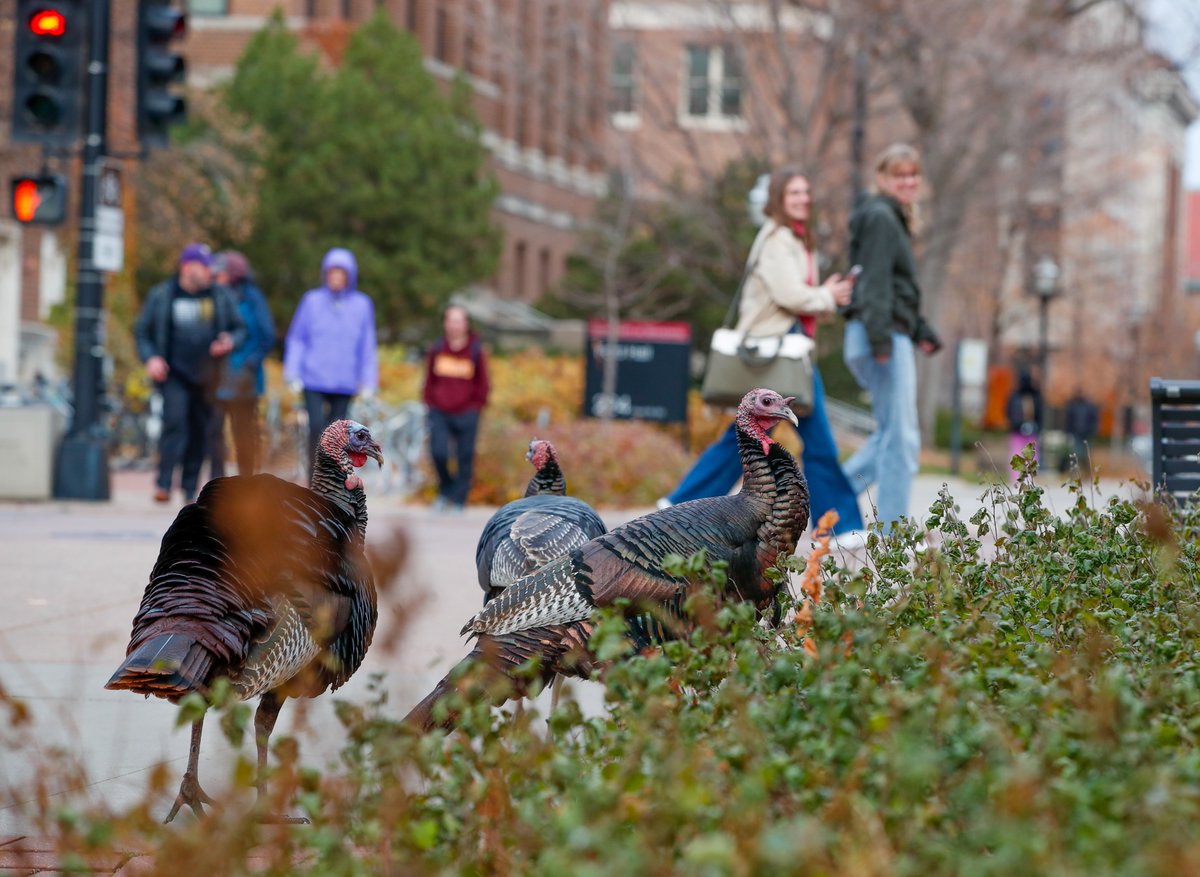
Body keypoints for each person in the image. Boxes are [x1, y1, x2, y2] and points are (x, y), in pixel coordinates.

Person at [657, 167, 865, 540]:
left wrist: (824, 297)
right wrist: (827, 296)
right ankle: (841, 527)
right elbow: (789, 294)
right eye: (794, 193)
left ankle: (678, 504)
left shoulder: (794, 238)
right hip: (778, 349)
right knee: (816, 443)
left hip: (787, 346)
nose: (803, 199)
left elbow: (796, 296)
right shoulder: (777, 239)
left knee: (744, 437)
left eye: (805, 192)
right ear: (778, 199)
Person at [841, 143, 942, 534]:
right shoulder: (882, 217)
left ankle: (831, 497)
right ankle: (893, 534)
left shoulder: (887, 217)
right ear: (882, 178)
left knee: (891, 435)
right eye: (899, 175)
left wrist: (920, 331)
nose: (908, 181)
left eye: (913, 174)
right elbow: (876, 284)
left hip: (879, 333)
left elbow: (894, 289)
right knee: (901, 439)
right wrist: (882, 341)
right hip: (879, 337)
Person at [134, 243, 246, 504]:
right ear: (187, 267)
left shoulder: (220, 295)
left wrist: (229, 341)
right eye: (204, 267)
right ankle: (163, 484)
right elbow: (142, 332)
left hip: (209, 376)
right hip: (174, 373)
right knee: (174, 423)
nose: (209, 272)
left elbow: (239, 329)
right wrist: (151, 358)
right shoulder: (163, 294)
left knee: (200, 431)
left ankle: (188, 488)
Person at [283, 247, 378, 474]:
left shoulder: (362, 304)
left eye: (340, 273)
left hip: (345, 381)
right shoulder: (311, 301)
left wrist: (368, 381)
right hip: (313, 378)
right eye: (331, 272)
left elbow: (367, 345)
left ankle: (331, 480)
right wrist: (292, 372)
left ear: (349, 276)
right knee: (316, 428)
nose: (335, 278)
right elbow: (297, 338)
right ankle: (313, 478)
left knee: (338, 435)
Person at [208, 251, 277, 479]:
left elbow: (267, 335)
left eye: (220, 273)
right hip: (217, 375)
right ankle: (217, 484)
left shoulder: (252, 298)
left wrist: (250, 362)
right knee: (214, 431)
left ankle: (247, 483)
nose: (216, 277)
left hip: (245, 377)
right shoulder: (213, 296)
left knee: (244, 433)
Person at [423, 304, 490, 512]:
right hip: (439, 411)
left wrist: (476, 407)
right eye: (451, 320)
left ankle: (459, 499)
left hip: (467, 412)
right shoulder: (437, 348)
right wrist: (430, 403)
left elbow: (483, 383)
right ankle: (446, 489)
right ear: (445, 323)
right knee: (438, 452)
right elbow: (429, 380)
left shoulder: (475, 350)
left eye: (458, 321)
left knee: (465, 456)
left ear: (466, 324)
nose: (454, 325)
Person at [1005, 368, 1044, 480]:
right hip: (1017, 430)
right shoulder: (1015, 395)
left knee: (1032, 455)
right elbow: (1009, 411)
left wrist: (1037, 426)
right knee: (1017, 454)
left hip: (1032, 430)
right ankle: (1017, 478)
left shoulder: (1035, 395)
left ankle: (1030, 479)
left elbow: (1039, 412)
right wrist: (1015, 423)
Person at [1061, 387, 1099, 474]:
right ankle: (1075, 472)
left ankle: (1088, 473)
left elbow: (1094, 420)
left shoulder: (1089, 406)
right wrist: (1068, 432)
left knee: (1087, 455)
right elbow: (1068, 420)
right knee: (1076, 453)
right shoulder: (1072, 405)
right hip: (1076, 434)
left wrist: (1092, 431)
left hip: (1087, 434)